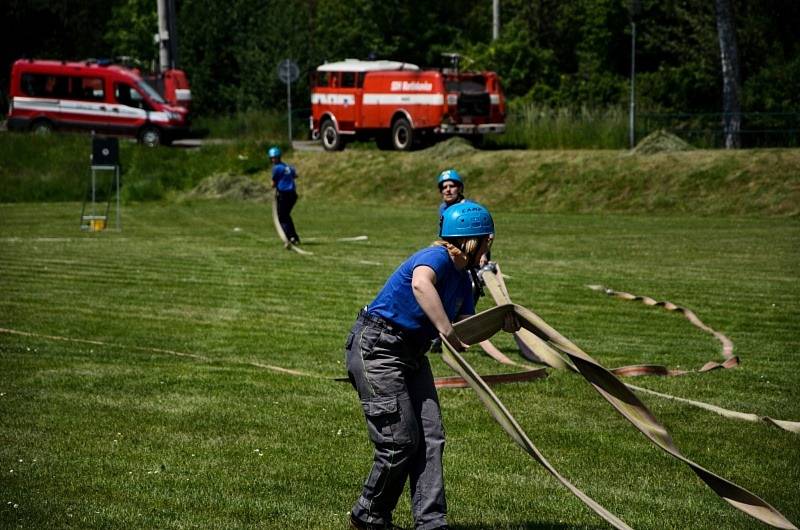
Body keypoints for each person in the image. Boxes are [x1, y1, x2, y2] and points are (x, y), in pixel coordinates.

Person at [345, 201, 498, 530]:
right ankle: (368, 514)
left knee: (431, 437)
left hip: (412, 354)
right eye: (487, 240)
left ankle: (431, 523)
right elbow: (420, 284)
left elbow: (467, 322)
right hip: (379, 347)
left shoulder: (464, 278)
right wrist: (446, 331)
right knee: (399, 441)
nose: (489, 248)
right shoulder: (437, 258)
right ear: (473, 241)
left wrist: (505, 320)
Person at [269, 146, 301, 245]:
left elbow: (273, 184)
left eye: (274, 158)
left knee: (282, 217)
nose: (273, 160)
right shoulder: (288, 167)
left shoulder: (277, 168)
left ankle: (290, 237)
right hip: (292, 195)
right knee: (285, 216)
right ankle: (293, 236)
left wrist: (275, 184)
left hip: (284, 195)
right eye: (272, 158)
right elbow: (295, 175)